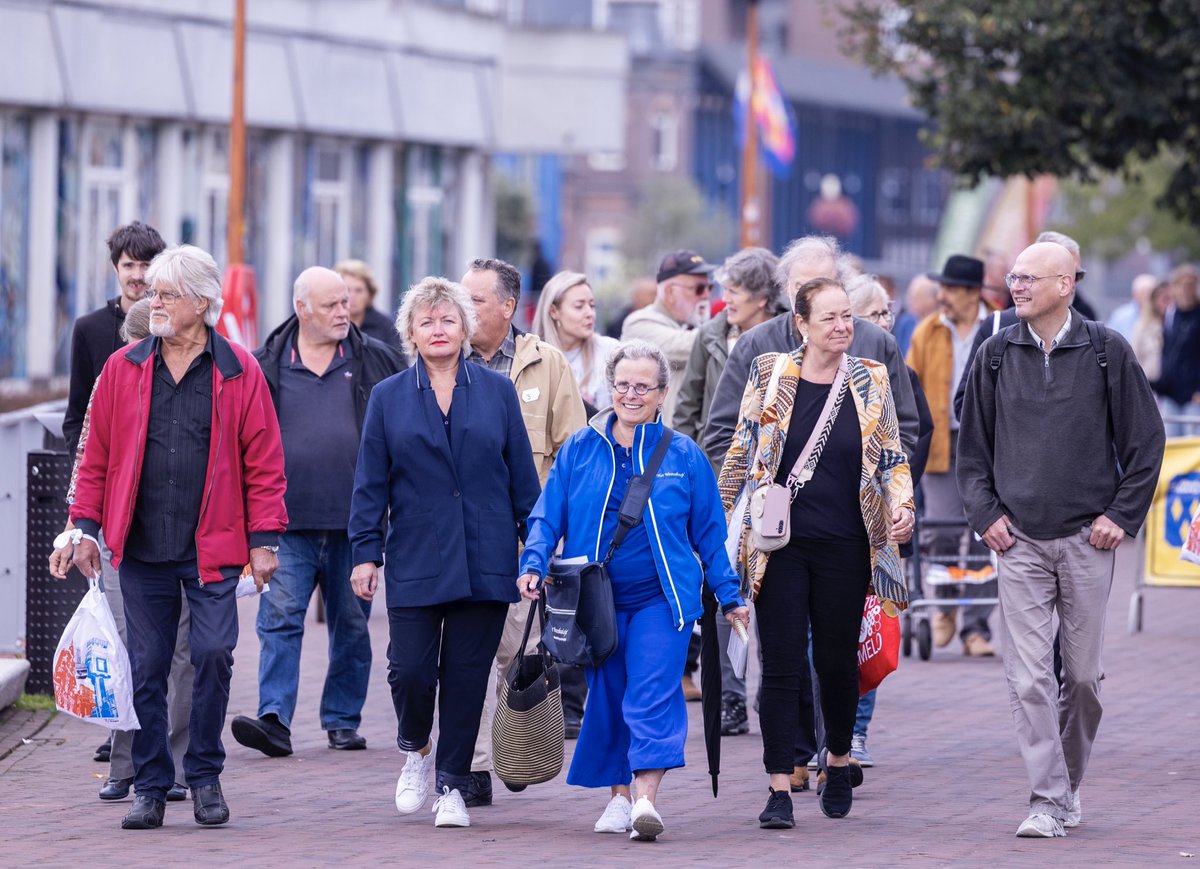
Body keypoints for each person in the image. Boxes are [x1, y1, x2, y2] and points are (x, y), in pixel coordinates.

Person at [69, 244, 288, 830]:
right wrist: (83, 528)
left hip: (214, 548)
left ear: (203, 303)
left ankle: (205, 773)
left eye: (166, 293)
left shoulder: (240, 370)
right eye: (153, 291)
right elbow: (97, 459)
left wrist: (264, 540)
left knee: (214, 655)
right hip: (140, 548)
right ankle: (149, 783)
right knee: (148, 665)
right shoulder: (124, 367)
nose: (152, 300)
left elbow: (264, 463)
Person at [957, 241, 1165, 838]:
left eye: (1028, 278)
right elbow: (972, 451)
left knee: (1080, 678)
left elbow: (1145, 444)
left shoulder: (1106, 351)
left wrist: (1120, 517)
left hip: (1087, 541)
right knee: (1028, 678)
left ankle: (1067, 787)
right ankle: (1046, 799)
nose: (1015, 286)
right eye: (1014, 276)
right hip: (1016, 541)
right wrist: (985, 514)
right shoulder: (995, 354)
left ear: (1066, 283)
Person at [704, 234, 918, 791]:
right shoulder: (765, 365)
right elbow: (733, 448)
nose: (842, 322)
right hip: (779, 542)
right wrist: (711, 528)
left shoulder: (871, 373)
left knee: (835, 659)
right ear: (796, 312)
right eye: (825, 309)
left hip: (848, 540)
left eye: (846, 309)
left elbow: (895, 449)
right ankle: (782, 779)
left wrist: (903, 505)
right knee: (779, 661)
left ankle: (838, 758)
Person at [516, 340, 749, 842]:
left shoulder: (684, 455)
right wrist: (533, 562)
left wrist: (729, 596)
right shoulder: (581, 446)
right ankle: (619, 798)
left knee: (650, 692)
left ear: (663, 394)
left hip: (663, 601)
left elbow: (710, 534)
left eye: (643, 386)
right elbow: (546, 512)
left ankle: (646, 800)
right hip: (596, 601)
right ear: (609, 387)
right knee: (610, 695)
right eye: (622, 384)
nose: (630, 393)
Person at [348, 276, 541, 829]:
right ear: (411, 331)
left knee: (466, 676)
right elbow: (370, 484)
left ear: (466, 328)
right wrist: (366, 554)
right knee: (409, 670)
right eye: (428, 321)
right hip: (417, 552)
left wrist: (538, 552)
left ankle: (453, 785)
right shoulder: (388, 398)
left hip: (487, 554)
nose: (439, 329)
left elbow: (523, 483)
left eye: (449, 319)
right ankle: (416, 748)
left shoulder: (497, 392)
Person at [230, 267, 405, 758]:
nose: (342, 313)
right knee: (280, 618)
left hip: (358, 523)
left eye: (346, 303)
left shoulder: (376, 360)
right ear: (302, 308)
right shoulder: (266, 364)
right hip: (285, 523)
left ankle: (342, 720)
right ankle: (275, 719)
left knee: (352, 623)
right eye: (331, 305)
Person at [50, 299, 195, 805]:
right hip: (119, 535)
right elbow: (89, 458)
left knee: (176, 654)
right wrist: (78, 528)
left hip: (178, 537)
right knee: (132, 649)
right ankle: (127, 761)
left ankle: (170, 765)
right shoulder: (115, 382)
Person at [460, 257, 587, 801]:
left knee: (510, 650)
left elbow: (574, 453)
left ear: (508, 307)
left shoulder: (547, 364)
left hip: (520, 542)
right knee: (462, 654)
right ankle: (472, 766)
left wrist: (560, 533)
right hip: (456, 538)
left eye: (475, 302)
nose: (462, 313)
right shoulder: (444, 359)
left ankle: (508, 749)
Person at [673, 245, 784, 734]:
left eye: (734, 290)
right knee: (726, 587)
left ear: (763, 297)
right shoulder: (711, 337)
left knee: (777, 590)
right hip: (721, 477)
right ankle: (731, 695)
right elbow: (690, 409)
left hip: (780, 481)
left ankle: (775, 689)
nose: (724, 298)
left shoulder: (784, 334)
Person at [845, 273, 934, 765]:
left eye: (887, 313)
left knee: (869, 626)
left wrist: (899, 493)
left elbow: (917, 428)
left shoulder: (894, 369)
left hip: (879, 515)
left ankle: (855, 732)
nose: (885, 323)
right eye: (874, 314)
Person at [907, 254, 998, 657]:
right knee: (940, 531)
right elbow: (910, 389)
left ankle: (976, 627)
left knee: (986, 535)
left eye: (949, 289)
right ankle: (944, 607)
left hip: (989, 448)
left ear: (972, 292)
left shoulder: (1000, 326)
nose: (941, 296)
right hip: (941, 450)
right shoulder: (927, 332)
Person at [63, 221, 166, 460]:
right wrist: (86, 476)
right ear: (115, 267)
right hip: (106, 470)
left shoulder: (170, 327)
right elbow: (77, 416)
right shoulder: (88, 329)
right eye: (129, 265)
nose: (138, 275)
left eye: (146, 266)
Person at [620, 249, 715, 423]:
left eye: (709, 287)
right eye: (699, 289)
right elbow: (690, 345)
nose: (706, 295)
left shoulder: (693, 325)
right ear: (670, 292)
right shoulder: (638, 323)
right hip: (655, 445)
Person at [531, 269, 620, 413]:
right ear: (554, 311)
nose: (589, 313)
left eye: (592, 305)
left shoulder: (610, 351)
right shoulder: (531, 357)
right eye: (579, 306)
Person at [1154, 263, 1200, 435]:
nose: (1186, 290)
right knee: (1171, 443)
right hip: (1171, 391)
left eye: (1191, 285)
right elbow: (1166, 350)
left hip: (1193, 394)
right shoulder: (1171, 314)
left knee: (1192, 443)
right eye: (1182, 284)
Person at [335, 258, 401, 350]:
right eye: (347, 290)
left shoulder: (386, 326)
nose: (352, 296)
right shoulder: (328, 322)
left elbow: (398, 361)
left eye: (359, 290)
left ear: (369, 294)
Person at [1132, 279, 1170, 382]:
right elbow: (1135, 358)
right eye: (1163, 298)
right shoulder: (1143, 326)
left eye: (1170, 298)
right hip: (1150, 383)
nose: (1167, 303)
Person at [892, 273, 939, 357]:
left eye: (917, 297)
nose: (910, 301)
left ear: (931, 300)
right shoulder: (906, 322)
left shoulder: (940, 324)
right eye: (910, 296)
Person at [1107, 273, 1157, 341]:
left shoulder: (1161, 315)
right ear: (1135, 293)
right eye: (1143, 292)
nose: (1146, 296)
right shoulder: (1120, 316)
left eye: (1150, 293)